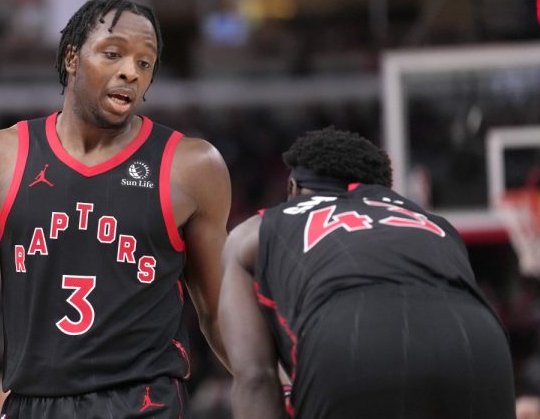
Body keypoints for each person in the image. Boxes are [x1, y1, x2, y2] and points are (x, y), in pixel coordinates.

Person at [0, 0, 231, 419]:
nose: (131, 71)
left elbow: (218, 310)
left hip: (143, 401)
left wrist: (275, 381)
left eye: (146, 63)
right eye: (114, 53)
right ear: (71, 57)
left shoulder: (192, 166)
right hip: (32, 403)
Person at [219, 128, 515, 418]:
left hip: (352, 331)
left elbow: (256, 377)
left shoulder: (255, 231)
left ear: (294, 188)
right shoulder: (434, 222)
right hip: (477, 339)